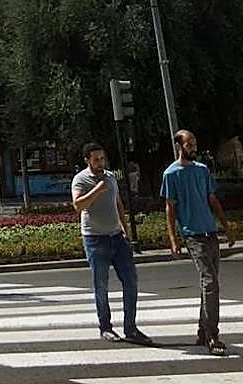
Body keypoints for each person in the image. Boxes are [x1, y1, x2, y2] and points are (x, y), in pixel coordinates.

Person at [161, 129, 236, 356]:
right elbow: (170, 208)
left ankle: (203, 331)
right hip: (192, 235)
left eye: (194, 143)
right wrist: (174, 240)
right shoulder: (171, 174)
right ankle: (212, 335)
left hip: (210, 232)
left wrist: (226, 227)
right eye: (189, 144)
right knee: (210, 283)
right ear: (179, 146)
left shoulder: (202, 171)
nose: (193, 147)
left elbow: (211, 199)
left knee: (209, 285)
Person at [72, 142, 149, 344]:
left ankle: (131, 327)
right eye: (96, 159)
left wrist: (126, 229)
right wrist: (97, 189)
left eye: (102, 158)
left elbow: (118, 203)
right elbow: (78, 205)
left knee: (131, 281)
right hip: (95, 238)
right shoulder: (80, 179)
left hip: (117, 236)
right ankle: (105, 327)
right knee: (101, 284)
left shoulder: (111, 177)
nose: (100, 162)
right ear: (87, 160)